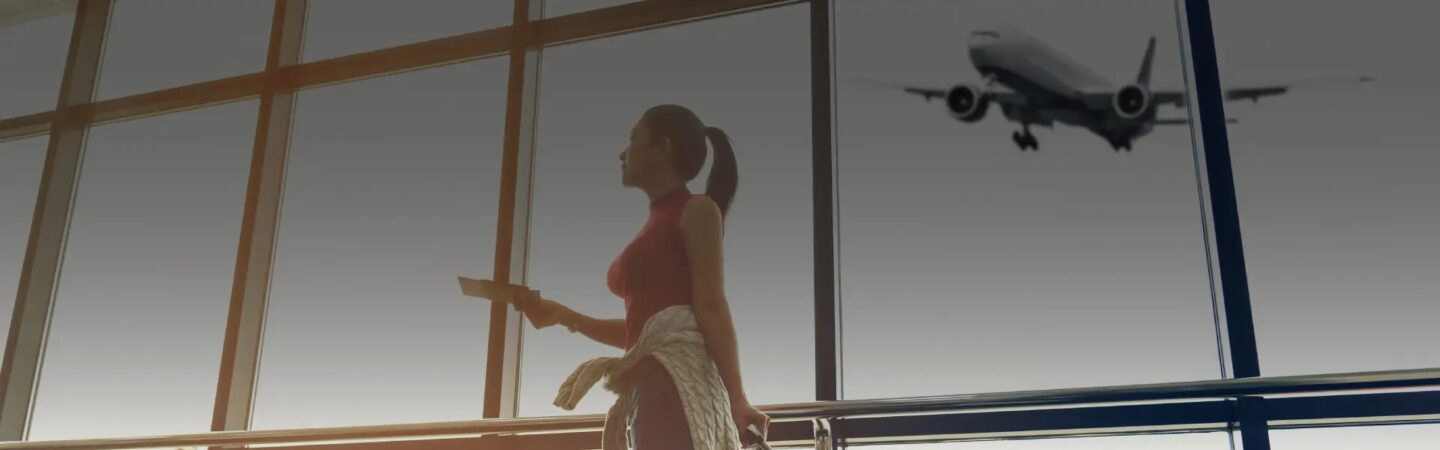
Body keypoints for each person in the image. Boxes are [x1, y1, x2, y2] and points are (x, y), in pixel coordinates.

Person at [511, 104, 769, 449]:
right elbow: (646, 333)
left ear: (661, 149)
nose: (622, 152)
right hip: (650, 385)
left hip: (673, 383)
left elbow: (710, 306)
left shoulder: (698, 210)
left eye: (633, 139)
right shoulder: (660, 221)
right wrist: (564, 316)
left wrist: (737, 398)